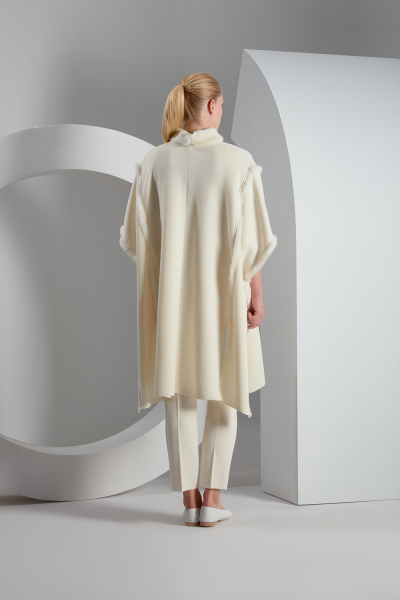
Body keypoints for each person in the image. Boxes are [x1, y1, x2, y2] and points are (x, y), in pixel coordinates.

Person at [119, 73, 277, 527]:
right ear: (210, 106)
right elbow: (251, 243)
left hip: (171, 302)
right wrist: (257, 293)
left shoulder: (153, 163)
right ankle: (213, 500)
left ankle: (189, 501)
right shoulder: (238, 162)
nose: (222, 112)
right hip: (225, 297)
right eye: (222, 106)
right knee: (227, 388)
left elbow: (135, 240)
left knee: (179, 395)